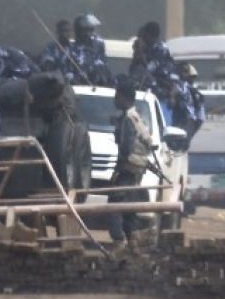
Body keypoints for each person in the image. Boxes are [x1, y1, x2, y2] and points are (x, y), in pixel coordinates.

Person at [109, 78, 154, 249]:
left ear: (124, 97)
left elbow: (126, 149)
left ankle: (118, 242)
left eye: (117, 95)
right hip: (137, 168)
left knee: (114, 206)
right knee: (128, 207)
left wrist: (117, 172)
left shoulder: (128, 119)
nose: (115, 99)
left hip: (128, 168)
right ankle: (133, 242)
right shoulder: (135, 116)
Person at [130, 21, 179, 124]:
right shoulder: (147, 49)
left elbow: (149, 69)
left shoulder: (160, 50)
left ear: (150, 35)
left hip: (161, 94)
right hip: (144, 94)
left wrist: (172, 96)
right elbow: (134, 71)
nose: (142, 38)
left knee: (162, 126)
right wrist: (137, 54)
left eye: (144, 35)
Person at [70, 14, 112, 87]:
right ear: (77, 31)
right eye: (84, 30)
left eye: (91, 30)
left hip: (100, 90)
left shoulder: (98, 48)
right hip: (77, 89)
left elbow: (106, 73)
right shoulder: (70, 50)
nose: (88, 34)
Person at [174, 62, 206, 143]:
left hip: (189, 119)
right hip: (184, 119)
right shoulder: (179, 85)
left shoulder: (190, 89)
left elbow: (200, 117)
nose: (192, 80)